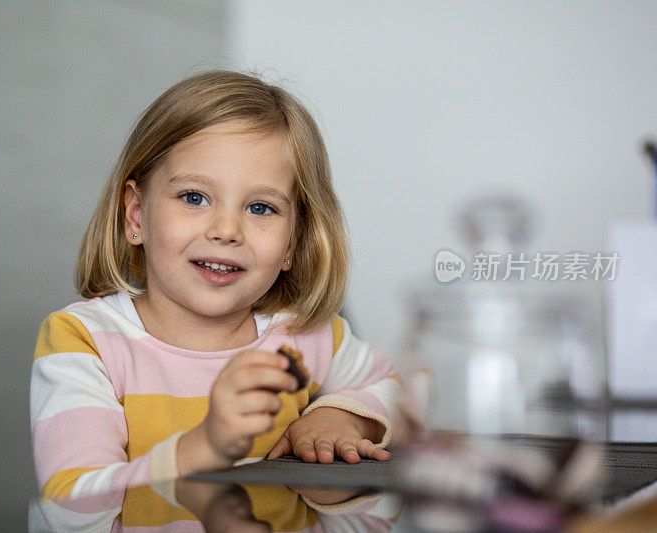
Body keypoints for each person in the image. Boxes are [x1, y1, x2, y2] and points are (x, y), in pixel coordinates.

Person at [30, 70, 403, 503]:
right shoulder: (84, 342)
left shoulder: (304, 336)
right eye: (194, 197)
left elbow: (402, 391)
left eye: (260, 207)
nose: (227, 230)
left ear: (292, 242)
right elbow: (69, 503)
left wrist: (339, 417)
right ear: (136, 215)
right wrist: (203, 448)